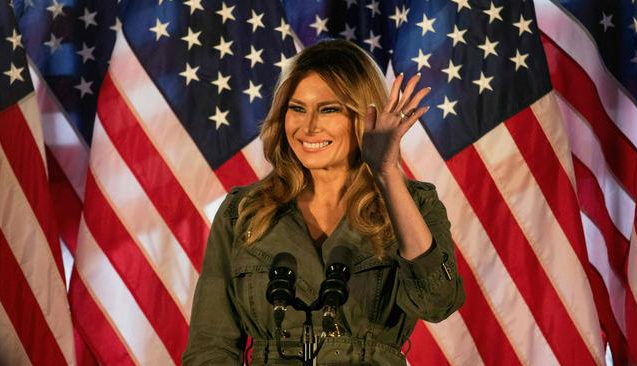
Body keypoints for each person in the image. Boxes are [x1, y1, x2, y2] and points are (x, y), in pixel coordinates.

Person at [183, 39, 465, 365]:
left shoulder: (412, 203)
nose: (309, 126)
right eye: (297, 108)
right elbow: (210, 347)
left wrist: (386, 172)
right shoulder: (243, 210)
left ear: (362, 117)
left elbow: (437, 301)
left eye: (329, 109)